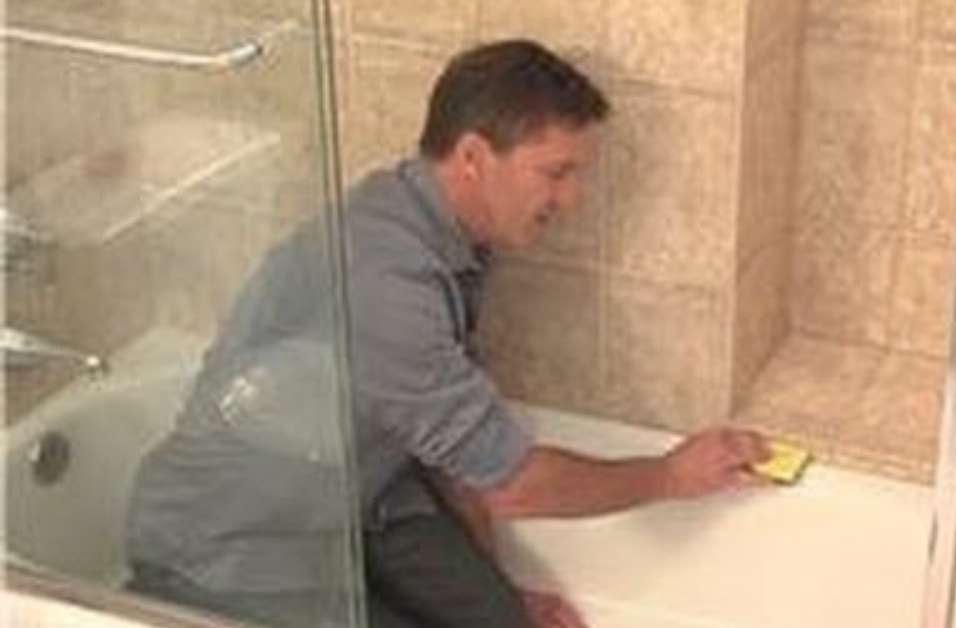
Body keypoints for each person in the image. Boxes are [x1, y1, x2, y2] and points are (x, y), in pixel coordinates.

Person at [126, 39, 770, 628]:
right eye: (556, 171)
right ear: (471, 157)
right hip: (231, 548)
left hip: (361, 498)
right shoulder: (388, 277)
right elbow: (512, 484)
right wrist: (669, 476)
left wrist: (501, 592)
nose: (572, 198)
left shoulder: (447, 235)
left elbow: (460, 444)